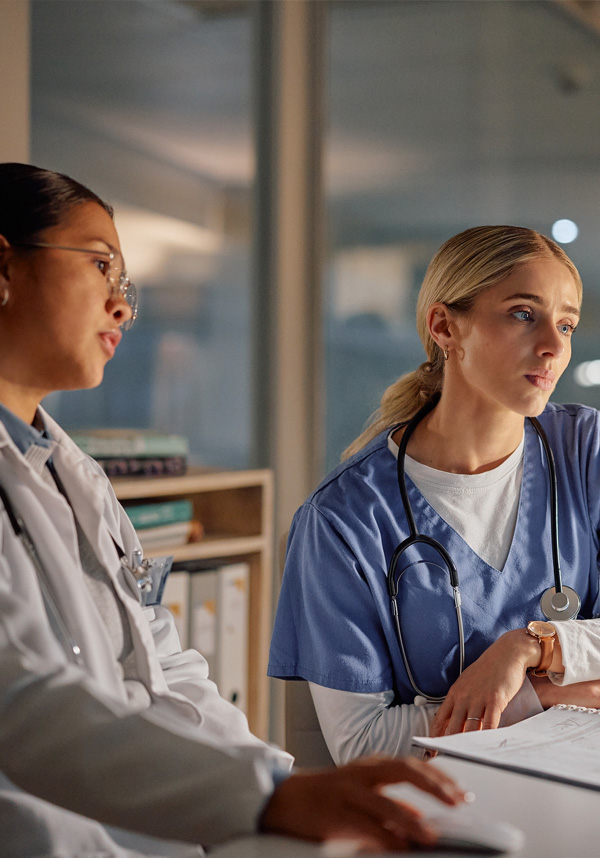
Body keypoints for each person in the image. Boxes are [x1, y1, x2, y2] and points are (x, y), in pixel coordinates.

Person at [0, 162, 467, 858]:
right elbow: (21, 704)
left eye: (124, 283)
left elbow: (162, 669)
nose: (123, 307)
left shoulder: (77, 478)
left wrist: (281, 782)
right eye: (101, 265)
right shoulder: (345, 513)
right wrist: (266, 797)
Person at [268, 224, 600, 765]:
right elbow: (363, 744)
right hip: (440, 808)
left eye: (567, 324)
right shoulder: (343, 520)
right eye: (523, 314)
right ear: (445, 327)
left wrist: (529, 648)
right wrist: (549, 692)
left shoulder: (585, 451)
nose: (554, 346)